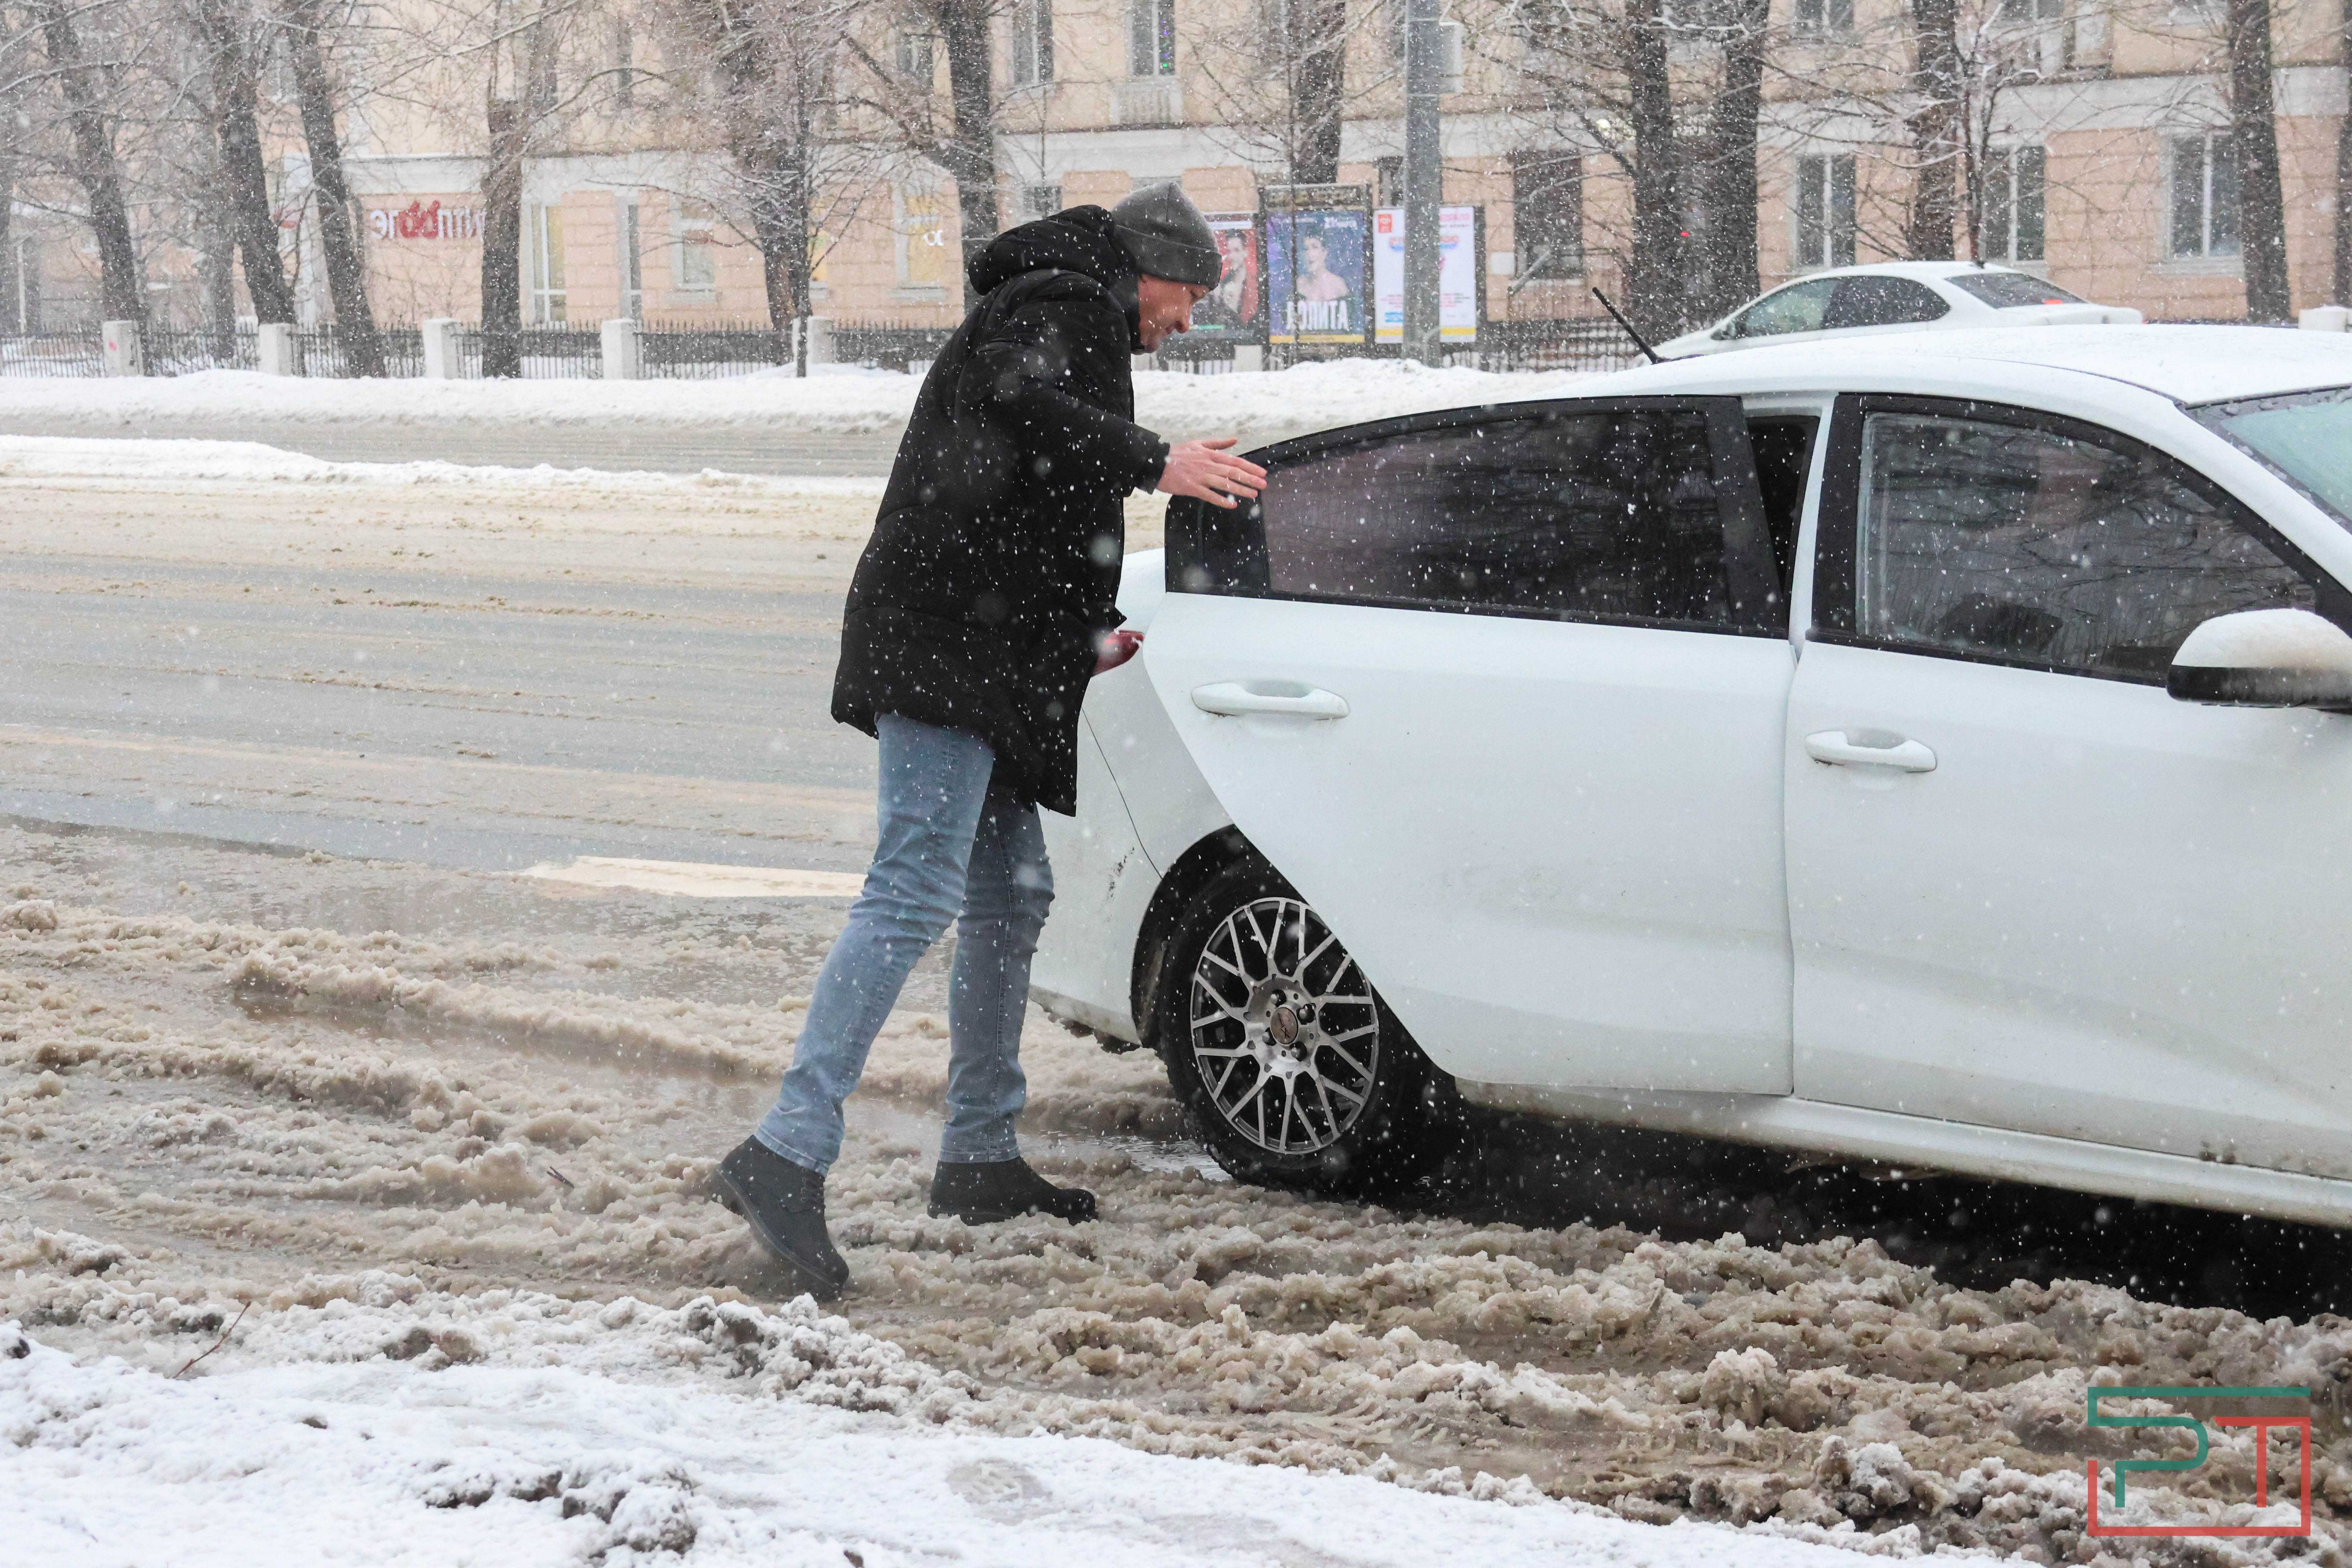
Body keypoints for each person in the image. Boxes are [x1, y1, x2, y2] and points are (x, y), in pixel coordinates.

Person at [709, 184, 1269, 1300]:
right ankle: (783, 1149)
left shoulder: (1076, 313)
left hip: (996, 651)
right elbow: (1015, 406)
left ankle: (977, 1154)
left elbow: (1038, 502)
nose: (1188, 320)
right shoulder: (1061, 299)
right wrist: (1154, 460)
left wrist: (1085, 637)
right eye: (1189, 296)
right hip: (942, 642)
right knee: (912, 889)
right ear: (1149, 269)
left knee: (1011, 896)